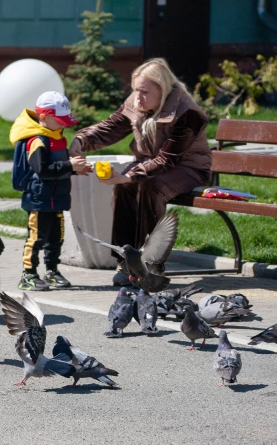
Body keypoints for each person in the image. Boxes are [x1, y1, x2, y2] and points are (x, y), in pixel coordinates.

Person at [69, 58, 212, 286]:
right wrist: (81, 140)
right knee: (126, 187)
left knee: (148, 185)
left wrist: (128, 175)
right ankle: (126, 261)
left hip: (188, 168)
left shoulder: (187, 113)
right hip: (150, 163)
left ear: (162, 89)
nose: (137, 98)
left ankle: (150, 263)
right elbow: (112, 127)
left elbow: (168, 160)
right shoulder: (138, 103)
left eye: (144, 92)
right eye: (135, 90)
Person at [10, 91, 91, 291]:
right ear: (44, 118)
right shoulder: (38, 140)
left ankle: (52, 271)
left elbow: (59, 167)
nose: (64, 125)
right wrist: (69, 166)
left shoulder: (57, 137)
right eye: (60, 120)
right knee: (36, 238)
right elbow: (42, 170)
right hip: (39, 199)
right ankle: (28, 275)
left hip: (58, 198)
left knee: (56, 238)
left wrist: (76, 169)